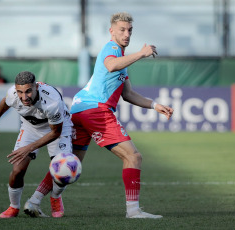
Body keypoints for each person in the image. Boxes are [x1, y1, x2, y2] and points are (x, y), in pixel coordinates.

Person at [70, 12, 174, 219]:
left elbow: (128, 94)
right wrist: (141, 54)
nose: (127, 34)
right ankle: (134, 211)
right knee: (133, 156)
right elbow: (111, 65)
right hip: (96, 109)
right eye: (122, 30)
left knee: (70, 165)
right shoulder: (112, 49)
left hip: (81, 109)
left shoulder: (121, 60)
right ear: (112, 31)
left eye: (130, 30)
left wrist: (155, 105)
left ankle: (35, 200)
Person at [0, 71, 73, 218]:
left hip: (57, 128)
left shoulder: (52, 102)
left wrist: (30, 147)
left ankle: (56, 197)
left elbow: (55, 133)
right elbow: (4, 102)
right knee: (17, 170)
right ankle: (14, 207)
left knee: (62, 169)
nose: (24, 97)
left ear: (36, 87)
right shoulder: (13, 94)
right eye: (20, 92)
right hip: (30, 128)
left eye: (28, 91)